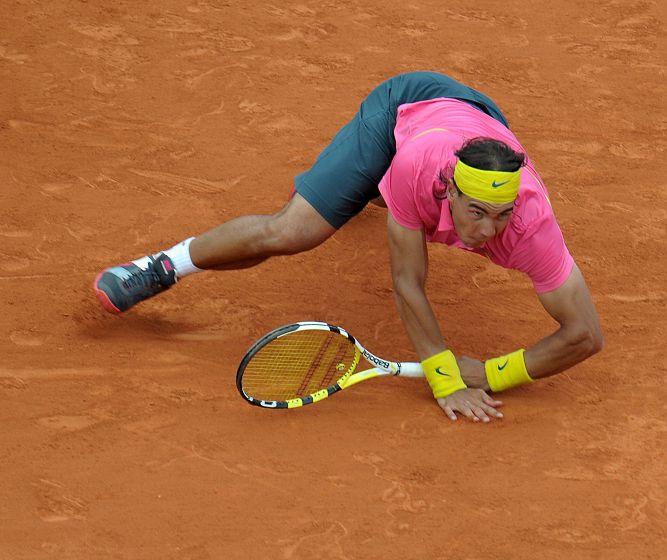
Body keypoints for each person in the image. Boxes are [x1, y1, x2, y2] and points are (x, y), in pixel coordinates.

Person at [94, 71, 603, 422]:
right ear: (450, 189)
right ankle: (161, 266)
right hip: (404, 110)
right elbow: (407, 281)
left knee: (389, 205)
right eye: (476, 213)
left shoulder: (531, 227)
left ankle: (363, 193)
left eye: (501, 216)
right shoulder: (417, 168)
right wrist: (446, 377)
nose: (488, 231)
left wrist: (495, 374)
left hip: (477, 120)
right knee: (295, 231)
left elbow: (585, 335)